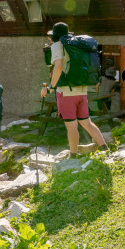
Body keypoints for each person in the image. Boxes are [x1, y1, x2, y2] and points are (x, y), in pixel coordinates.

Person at [41, 22, 109, 158]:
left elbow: (59, 66)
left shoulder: (57, 46)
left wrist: (50, 87)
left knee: (71, 127)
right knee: (87, 123)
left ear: (54, 36)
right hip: (82, 90)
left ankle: (73, 157)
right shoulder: (76, 45)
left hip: (66, 92)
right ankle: (105, 149)